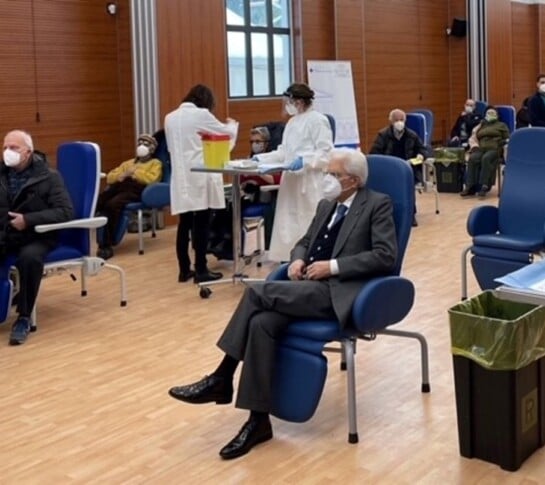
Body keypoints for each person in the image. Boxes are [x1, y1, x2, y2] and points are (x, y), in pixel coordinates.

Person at [168, 148, 397, 460]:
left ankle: (222, 376)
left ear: (354, 181)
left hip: (337, 291)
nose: (327, 179)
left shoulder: (377, 204)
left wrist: (332, 267)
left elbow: (385, 255)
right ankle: (258, 421)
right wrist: (298, 259)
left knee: (255, 293)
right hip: (306, 287)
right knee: (261, 324)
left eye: (334, 175)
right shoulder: (326, 204)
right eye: (327, 173)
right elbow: (304, 241)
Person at [0, 130, 74, 345]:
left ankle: (23, 318)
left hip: (37, 235)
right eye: (5, 147)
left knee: (29, 258)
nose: (8, 152)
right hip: (6, 232)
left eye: (14, 148)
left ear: (28, 152)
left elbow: (65, 212)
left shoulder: (49, 177)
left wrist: (28, 220)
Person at [165, 84, 238, 283]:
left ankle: (184, 269)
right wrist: (232, 124)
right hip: (200, 176)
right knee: (202, 223)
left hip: (180, 177)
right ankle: (201, 269)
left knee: (184, 223)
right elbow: (225, 134)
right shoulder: (201, 115)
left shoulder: (170, 118)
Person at [253, 83, 334, 262]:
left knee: (307, 223)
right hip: (290, 181)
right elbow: (284, 152)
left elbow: (326, 153)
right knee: (288, 226)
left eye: (289, 102)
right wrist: (261, 158)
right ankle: (288, 263)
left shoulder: (318, 120)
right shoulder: (291, 123)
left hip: (309, 181)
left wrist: (305, 160)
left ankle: (309, 262)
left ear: (299, 102)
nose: (287, 106)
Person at [208, 125, 282, 260]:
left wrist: (258, 171)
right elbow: (241, 179)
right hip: (246, 194)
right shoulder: (248, 160)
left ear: (266, 143)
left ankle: (227, 243)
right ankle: (217, 239)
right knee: (224, 204)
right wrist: (244, 180)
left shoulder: (274, 161)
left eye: (258, 141)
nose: (254, 144)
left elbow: (276, 180)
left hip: (262, 196)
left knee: (235, 206)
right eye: (252, 141)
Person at [96, 134, 162, 259]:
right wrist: (122, 175)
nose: (141, 146)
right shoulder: (128, 163)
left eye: (145, 144)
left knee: (112, 205)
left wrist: (135, 173)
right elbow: (110, 177)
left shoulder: (155, 163)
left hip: (136, 190)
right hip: (120, 187)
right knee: (100, 202)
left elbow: (153, 180)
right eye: (140, 143)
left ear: (152, 148)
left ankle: (107, 244)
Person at [369, 108, 427, 226]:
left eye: (401, 120)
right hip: (389, 169)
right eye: (396, 120)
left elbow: (423, 150)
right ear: (391, 121)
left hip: (408, 169)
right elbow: (374, 153)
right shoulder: (383, 135)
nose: (399, 122)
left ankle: (410, 215)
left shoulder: (412, 135)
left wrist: (421, 155)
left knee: (408, 187)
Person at [461, 105, 510, 198]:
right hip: (481, 148)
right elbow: (474, 136)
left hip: (495, 148)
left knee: (486, 158)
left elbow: (508, 138)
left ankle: (485, 185)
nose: (490, 115)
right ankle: (469, 186)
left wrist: (502, 142)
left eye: (493, 113)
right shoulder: (481, 125)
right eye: (488, 113)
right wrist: (474, 146)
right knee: (473, 158)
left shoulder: (501, 125)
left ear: (497, 115)